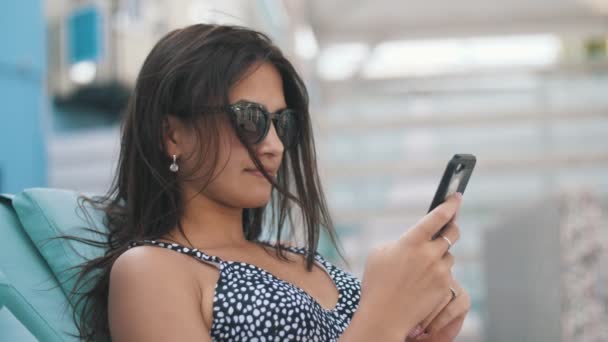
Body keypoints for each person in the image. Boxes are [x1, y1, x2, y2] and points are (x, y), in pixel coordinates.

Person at [66, 23, 470, 341]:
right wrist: (383, 318)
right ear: (172, 135)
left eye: (283, 122)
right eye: (249, 119)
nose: (275, 145)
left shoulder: (295, 255)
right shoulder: (150, 271)